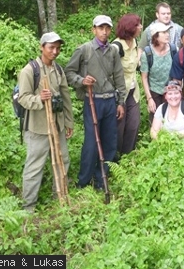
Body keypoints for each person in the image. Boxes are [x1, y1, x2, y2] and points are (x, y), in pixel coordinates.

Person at [65, 15, 127, 190]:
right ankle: (83, 180)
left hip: (110, 101)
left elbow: (119, 77)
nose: (104, 32)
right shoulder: (84, 50)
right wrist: (82, 80)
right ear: (94, 29)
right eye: (101, 28)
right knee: (91, 143)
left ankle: (101, 178)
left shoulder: (113, 51)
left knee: (109, 141)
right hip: (92, 100)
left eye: (107, 28)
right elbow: (69, 72)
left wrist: (120, 101)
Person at [18, 32, 74, 212]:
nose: (55, 51)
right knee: (34, 167)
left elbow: (65, 97)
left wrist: (68, 122)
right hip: (38, 128)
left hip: (57, 125)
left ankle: (59, 195)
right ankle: (28, 207)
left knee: (62, 159)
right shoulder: (29, 70)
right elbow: (23, 98)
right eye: (51, 47)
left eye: (58, 48)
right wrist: (39, 99)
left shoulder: (58, 70)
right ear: (42, 47)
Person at [112, 13, 143, 156]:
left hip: (133, 91)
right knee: (119, 127)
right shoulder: (117, 46)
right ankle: (114, 158)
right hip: (119, 94)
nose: (141, 27)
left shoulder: (135, 42)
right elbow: (108, 72)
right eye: (137, 25)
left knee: (133, 125)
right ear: (130, 27)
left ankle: (127, 156)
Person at [140, 22, 175, 122]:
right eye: (163, 32)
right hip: (154, 91)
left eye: (167, 32)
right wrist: (149, 98)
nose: (167, 34)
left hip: (170, 90)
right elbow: (144, 77)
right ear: (155, 36)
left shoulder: (173, 50)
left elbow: (178, 72)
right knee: (156, 120)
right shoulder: (147, 54)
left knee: (170, 119)